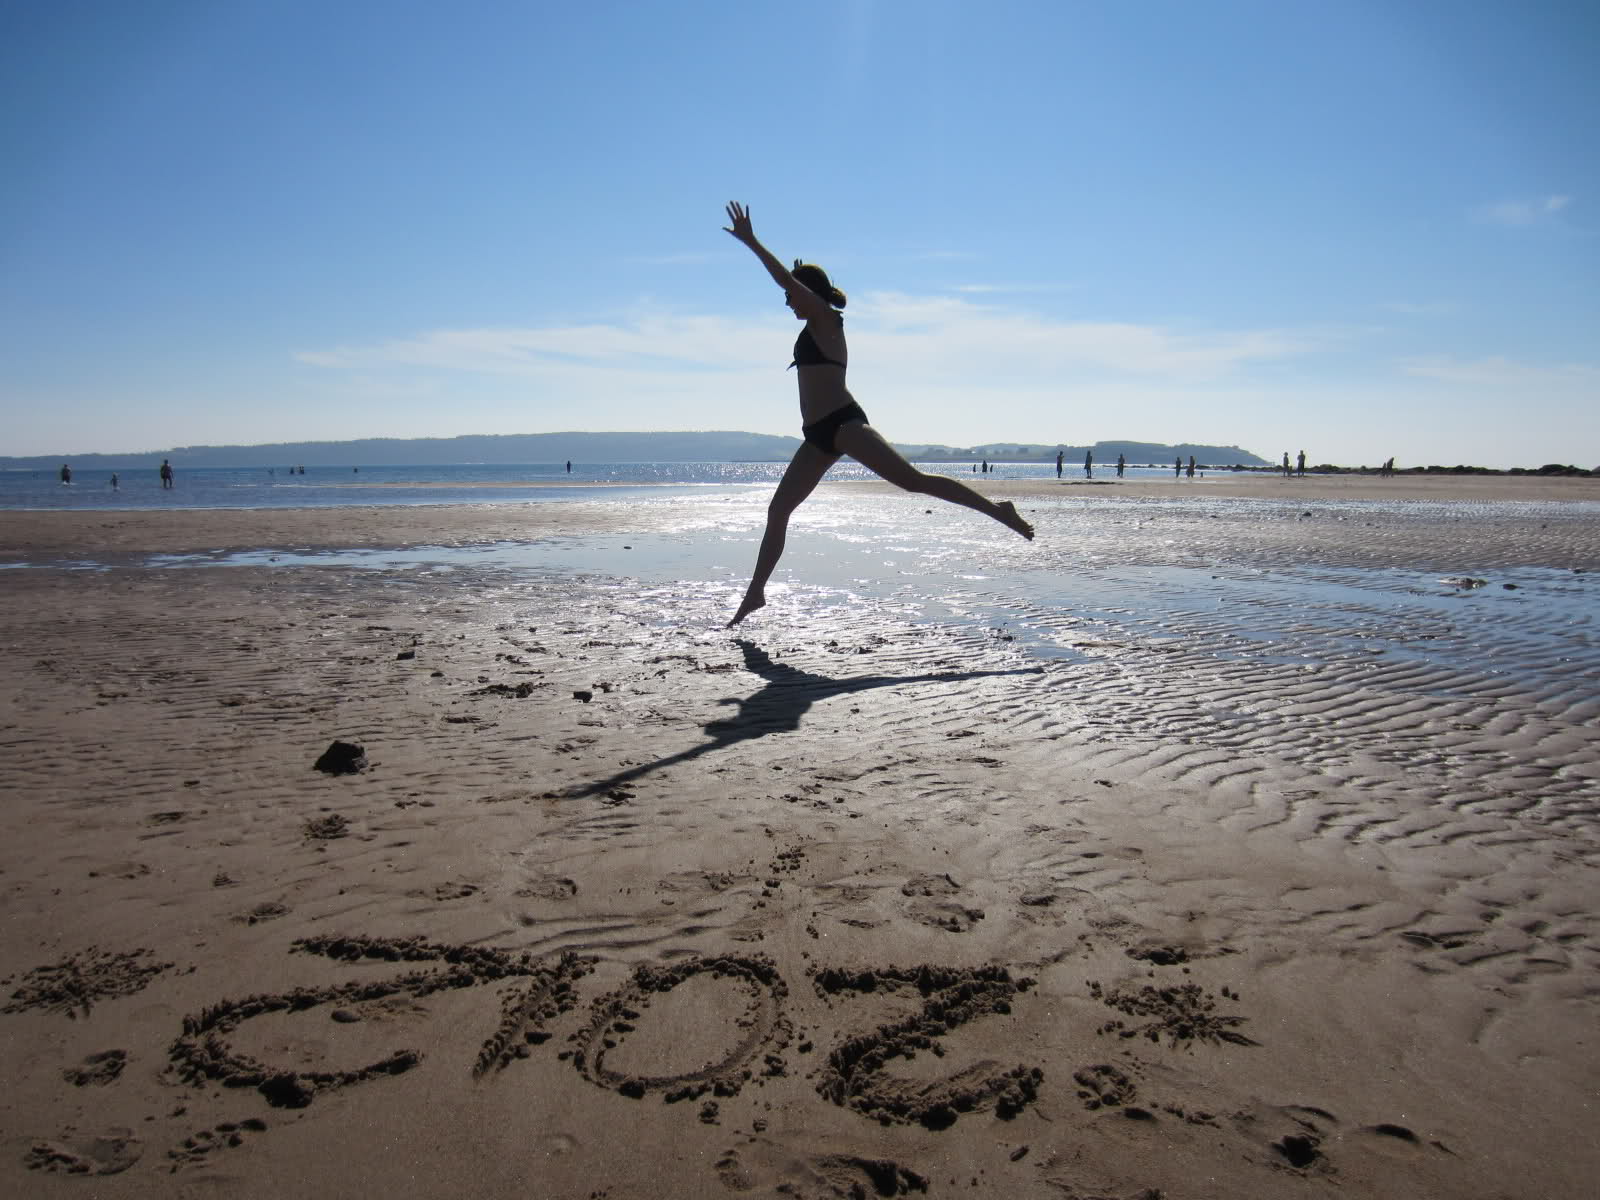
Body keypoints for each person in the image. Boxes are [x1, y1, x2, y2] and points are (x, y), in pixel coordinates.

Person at [720, 202, 1032, 627]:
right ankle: (756, 593)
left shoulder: (828, 321)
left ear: (807, 293)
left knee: (913, 482)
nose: (787, 302)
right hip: (816, 436)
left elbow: (785, 279)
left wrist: (753, 243)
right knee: (778, 511)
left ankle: (999, 510)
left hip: (845, 425)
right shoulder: (810, 328)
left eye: (791, 295)